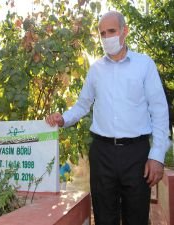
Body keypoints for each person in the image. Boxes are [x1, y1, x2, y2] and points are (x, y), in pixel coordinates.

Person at [46, 11, 171, 225]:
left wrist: (157, 156)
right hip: (102, 154)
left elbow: (159, 110)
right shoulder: (96, 70)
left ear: (125, 31)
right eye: (102, 33)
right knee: (104, 218)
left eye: (111, 31)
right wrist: (62, 119)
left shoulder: (144, 65)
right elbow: (83, 105)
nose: (107, 38)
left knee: (137, 218)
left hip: (137, 155)